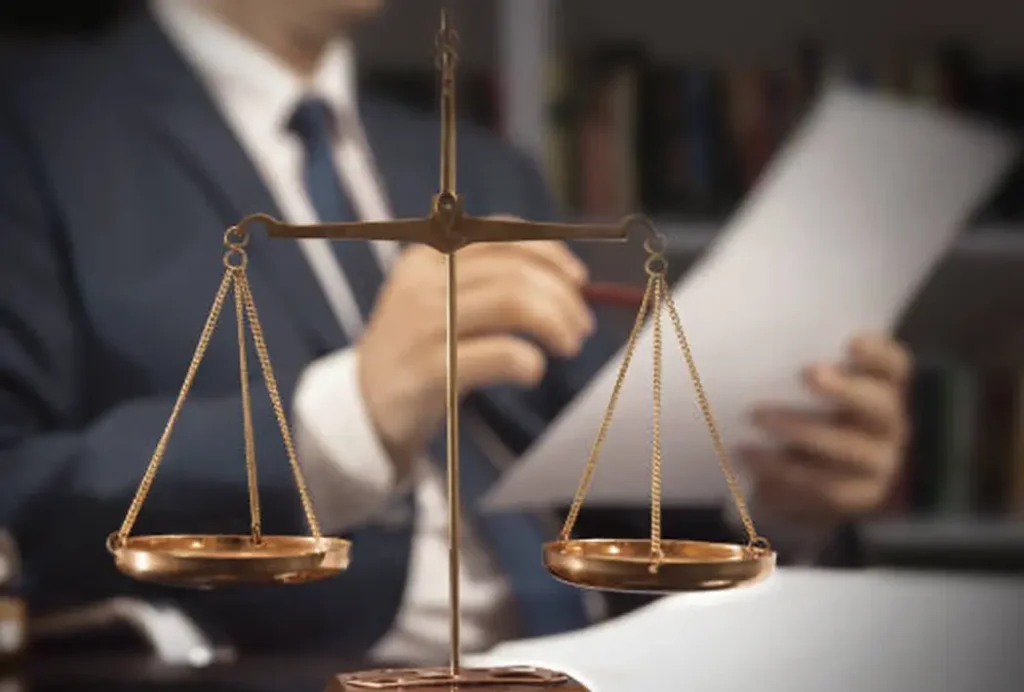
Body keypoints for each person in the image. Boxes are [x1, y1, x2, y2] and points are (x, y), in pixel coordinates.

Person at [0, 0, 911, 664]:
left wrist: (785, 487)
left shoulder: (479, 164)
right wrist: (343, 421)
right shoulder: (37, 124)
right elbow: (15, 488)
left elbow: (625, 494)